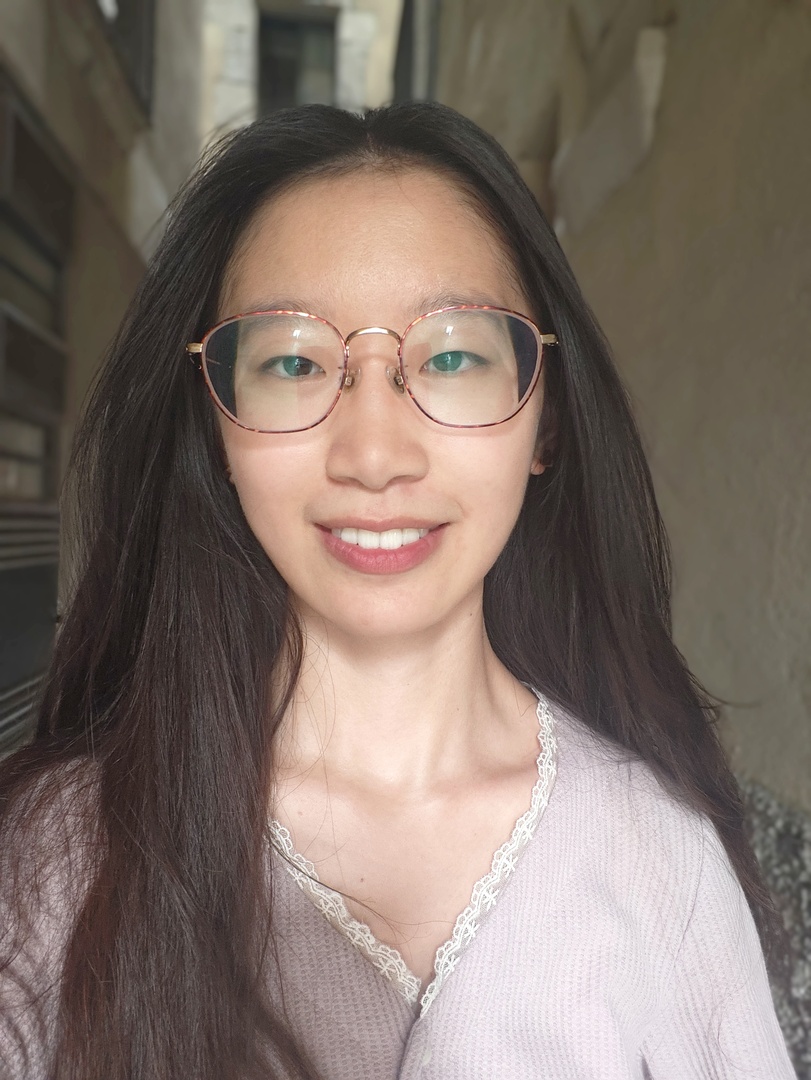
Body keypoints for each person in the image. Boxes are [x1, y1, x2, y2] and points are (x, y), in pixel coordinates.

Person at [0, 102, 797, 1080]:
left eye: (452, 355)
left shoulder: (660, 859)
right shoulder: (59, 858)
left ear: (544, 419)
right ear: (217, 427)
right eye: (294, 361)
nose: (374, 455)